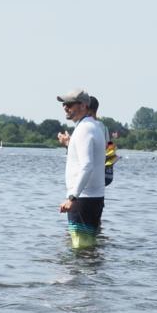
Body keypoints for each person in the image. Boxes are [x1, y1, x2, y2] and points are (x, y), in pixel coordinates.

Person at [57, 88, 106, 249]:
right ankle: (92, 273)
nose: (65, 107)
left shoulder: (84, 129)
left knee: (81, 249)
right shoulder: (91, 126)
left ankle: (83, 273)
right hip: (89, 197)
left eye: (70, 104)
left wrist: (72, 197)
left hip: (84, 198)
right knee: (87, 250)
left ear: (84, 106)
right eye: (64, 104)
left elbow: (87, 165)